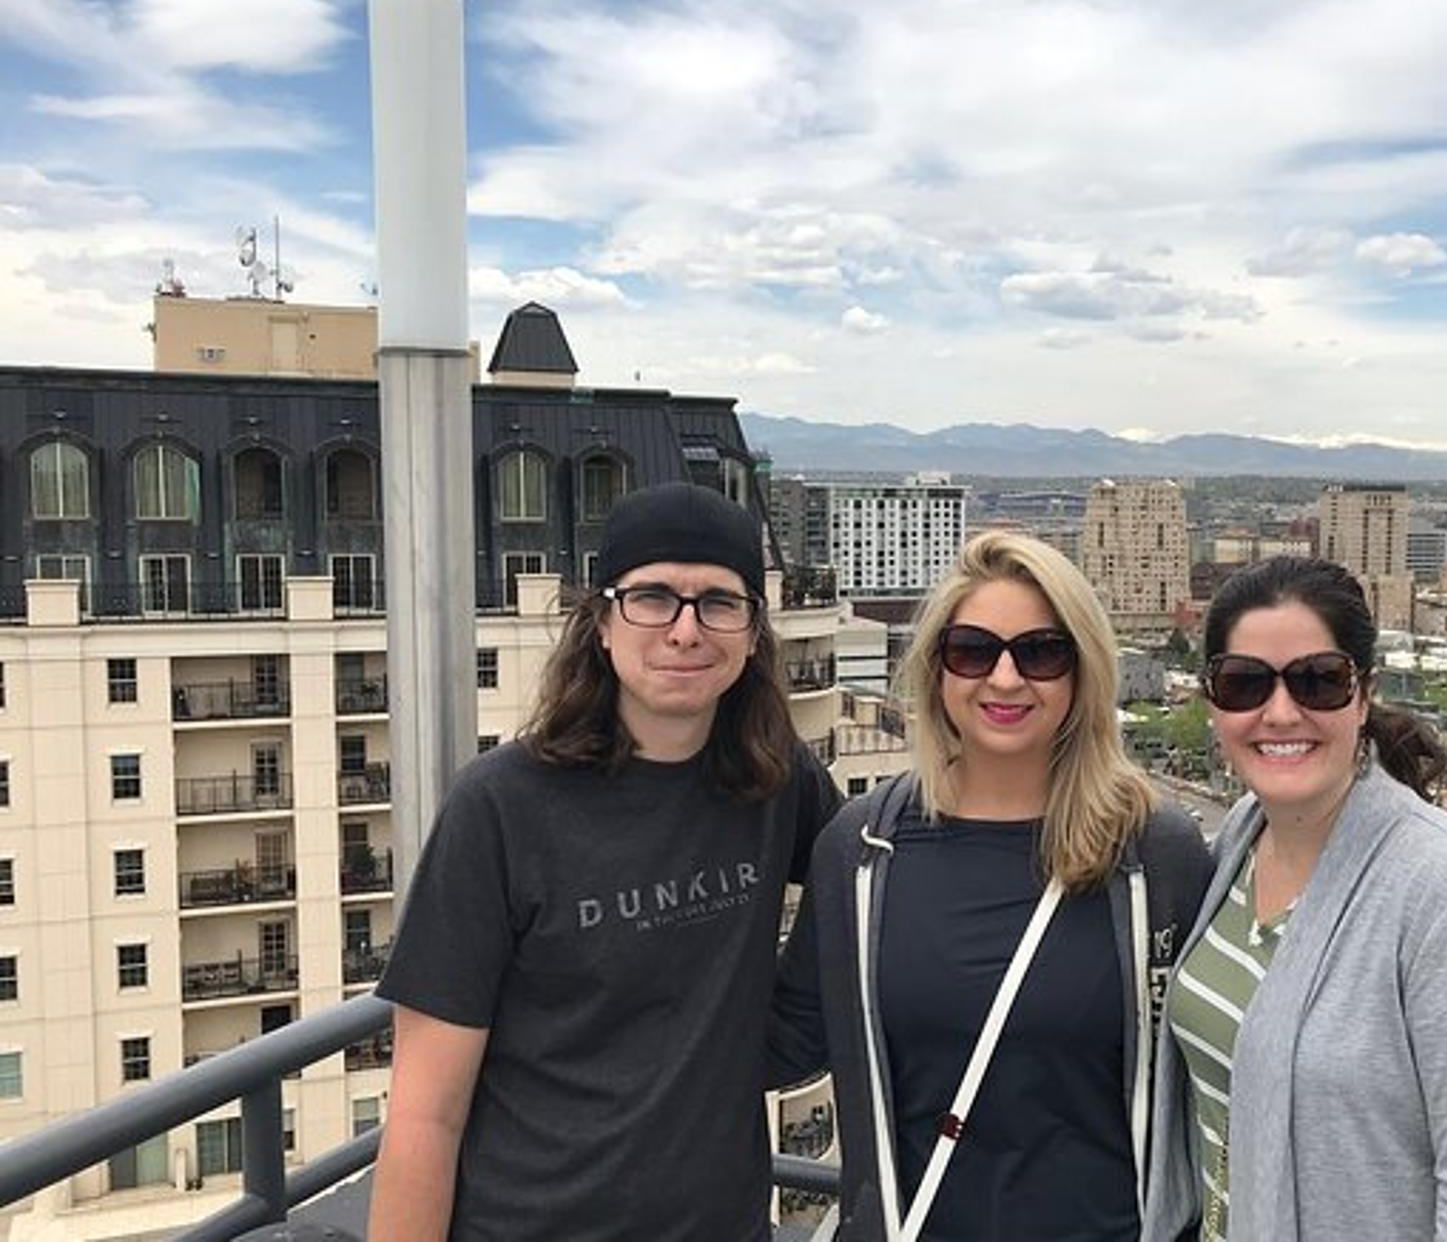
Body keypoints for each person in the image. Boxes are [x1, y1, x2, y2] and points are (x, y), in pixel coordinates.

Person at [369, 482, 840, 1242]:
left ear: (753, 633)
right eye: (652, 597)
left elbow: (875, 880)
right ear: (601, 623)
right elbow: (427, 1109)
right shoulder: (501, 807)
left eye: (718, 601)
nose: (685, 630)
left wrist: (783, 1034)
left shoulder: (776, 780)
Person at [774, 531, 1212, 1242]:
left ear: (1083, 671)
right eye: (973, 650)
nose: (1005, 680)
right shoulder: (861, 853)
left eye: (1041, 652)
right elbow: (783, 1036)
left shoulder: (1154, 855)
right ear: (937, 669)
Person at [1143, 556, 1447, 1242]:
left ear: (1363, 695)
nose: (1279, 712)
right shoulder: (1241, 838)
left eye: (1318, 681)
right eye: (1244, 683)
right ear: (1212, 702)